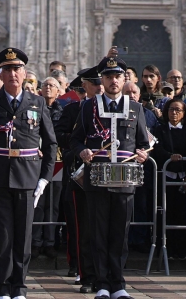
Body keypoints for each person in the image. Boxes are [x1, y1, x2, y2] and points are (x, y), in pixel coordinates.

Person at [0, 47, 57, 299]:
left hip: (27, 176)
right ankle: (3, 288)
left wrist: (45, 179)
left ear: (24, 73)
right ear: (0, 75)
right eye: (7, 69)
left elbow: (50, 143)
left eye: (17, 68)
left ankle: (20, 287)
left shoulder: (36, 102)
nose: (13, 73)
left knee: (23, 237)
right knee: (2, 236)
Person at [71, 55, 150, 299]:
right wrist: (81, 150)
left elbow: (144, 144)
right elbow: (75, 139)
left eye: (117, 76)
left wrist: (142, 154)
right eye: (108, 76)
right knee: (98, 232)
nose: (113, 81)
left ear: (124, 78)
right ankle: (101, 282)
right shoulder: (89, 107)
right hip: (98, 178)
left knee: (119, 234)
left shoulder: (135, 108)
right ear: (102, 79)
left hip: (125, 180)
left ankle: (119, 283)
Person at [55, 67, 102, 292]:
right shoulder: (74, 109)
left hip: (106, 175)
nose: (101, 87)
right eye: (96, 83)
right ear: (85, 86)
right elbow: (60, 135)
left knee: (103, 227)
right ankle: (82, 270)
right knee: (80, 226)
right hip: (80, 174)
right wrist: (80, 145)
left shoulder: (115, 110)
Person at [152, 97, 186, 261]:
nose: (174, 113)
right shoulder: (160, 129)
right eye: (171, 109)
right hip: (166, 176)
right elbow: (157, 149)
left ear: (184, 113)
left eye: (178, 110)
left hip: (184, 177)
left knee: (183, 214)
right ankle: (166, 249)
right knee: (165, 213)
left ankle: (184, 249)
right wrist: (170, 157)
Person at [32, 76, 64, 258]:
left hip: (56, 161)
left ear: (59, 91)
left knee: (53, 204)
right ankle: (36, 241)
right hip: (36, 160)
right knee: (38, 202)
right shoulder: (34, 107)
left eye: (52, 85)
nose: (48, 88)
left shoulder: (61, 111)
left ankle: (50, 241)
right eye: (45, 85)